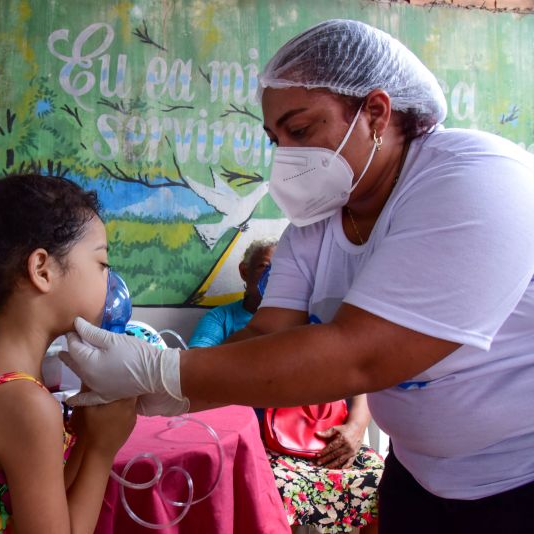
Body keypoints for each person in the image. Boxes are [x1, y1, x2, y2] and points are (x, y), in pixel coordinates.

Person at [59, 19, 534, 534]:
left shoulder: (478, 180)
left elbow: (362, 355)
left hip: (517, 482)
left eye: (300, 130)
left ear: (376, 112)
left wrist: (162, 372)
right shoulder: (318, 222)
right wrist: (167, 389)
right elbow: (268, 335)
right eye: (275, 138)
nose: (285, 154)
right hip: (420, 475)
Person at [0, 171, 136, 534]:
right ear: (42, 269)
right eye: (102, 264)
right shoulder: (24, 402)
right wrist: (102, 450)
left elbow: (35, 494)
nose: (109, 281)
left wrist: (86, 439)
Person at [190, 238, 381, 533]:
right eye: (266, 268)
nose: (274, 279)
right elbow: (197, 364)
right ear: (245, 271)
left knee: (382, 480)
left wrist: (355, 429)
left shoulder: (318, 319)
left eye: (282, 271)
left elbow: (360, 375)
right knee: (268, 489)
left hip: (324, 438)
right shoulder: (224, 318)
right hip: (258, 442)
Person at [188, 239, 277, 349]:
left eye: (280, 268)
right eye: (263, 266)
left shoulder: (297, 318)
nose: (272, 274)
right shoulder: (221, 318)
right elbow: (197, 360)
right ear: (244, 272)